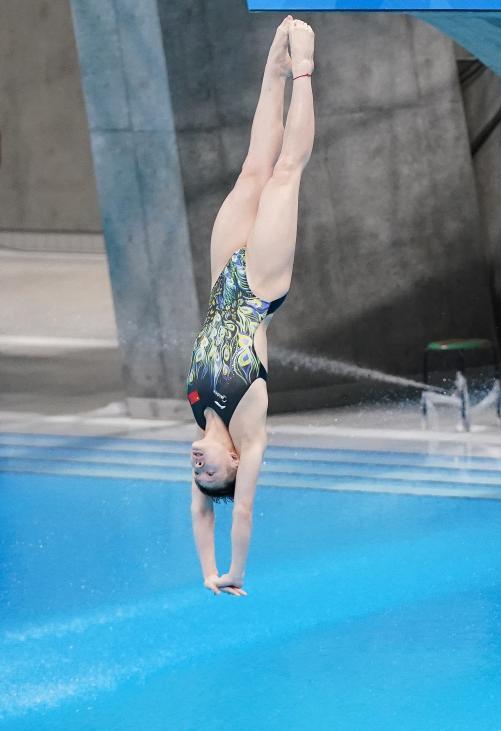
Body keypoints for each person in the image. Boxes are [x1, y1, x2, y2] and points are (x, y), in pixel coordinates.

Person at [186, 16, 315, 597]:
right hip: (260, 284)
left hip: (221, 272)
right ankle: (305, 70)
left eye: (197, 473)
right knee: (284, 175)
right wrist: (231, 574)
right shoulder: (250, 436)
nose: (198, 464)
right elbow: (235, 514)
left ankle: (273, 68)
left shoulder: (197, 410)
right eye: (210, 470)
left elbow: (200, 514)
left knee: (251, 169)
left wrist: (201, 572)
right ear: (234, 463)